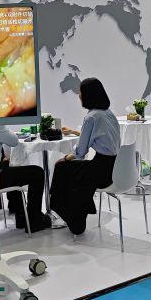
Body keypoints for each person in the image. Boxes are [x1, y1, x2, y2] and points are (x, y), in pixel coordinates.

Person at [50, 78, 120, 235]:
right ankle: (76, 212)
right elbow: (100, 138)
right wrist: (75, 132)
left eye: (81, 92)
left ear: (89, 95)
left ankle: (65, 212)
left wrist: (65, 158)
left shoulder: (91, 117)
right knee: (73, 171)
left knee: (61, 167)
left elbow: (80, 153)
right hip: (114, 169)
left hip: (100, 172)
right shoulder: (109, 114)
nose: (79, 95)